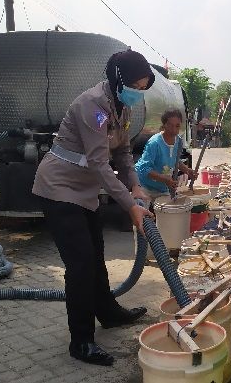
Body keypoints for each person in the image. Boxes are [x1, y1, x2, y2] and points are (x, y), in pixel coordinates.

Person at [32, 50, 154, 366]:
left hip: (84, 193)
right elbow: (100, 162)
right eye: (135, 86)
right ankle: (81, 341)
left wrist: (135, 185)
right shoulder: (94, 107)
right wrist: (130, 206)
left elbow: (124, 153)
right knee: (82, 265)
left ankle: (109, 313)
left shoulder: (121, 107)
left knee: (95, 255)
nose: (139, 92)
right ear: (118, 80)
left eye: (143, 87)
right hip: (59, 189)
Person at [135, 109, 196, 200]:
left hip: (162, 188)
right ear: (164, 125)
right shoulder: (154, 143)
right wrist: (165, 179)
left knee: (168, 210)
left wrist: (187, 170)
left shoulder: (178, 141)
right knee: (144, 212)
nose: (174, 130)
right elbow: (144, 169)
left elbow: (175, 161)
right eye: (170, 125)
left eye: (177, 126)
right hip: (145, 186)